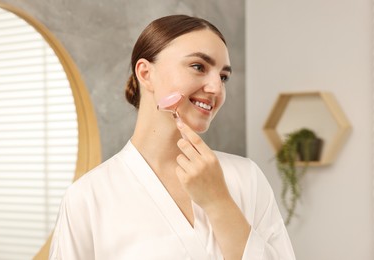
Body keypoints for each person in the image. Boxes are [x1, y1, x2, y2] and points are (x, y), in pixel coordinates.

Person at [49, 14, 296, 260]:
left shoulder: (247, 178)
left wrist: (219, 202)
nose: (217, 89)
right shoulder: (88, 198)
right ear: (145, 73)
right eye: (198, 67)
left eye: (223, 77)